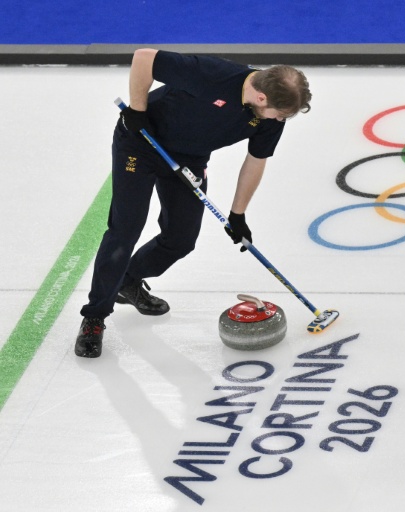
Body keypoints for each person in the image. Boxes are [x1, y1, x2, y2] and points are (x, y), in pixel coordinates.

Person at [75, 48, 311, 358]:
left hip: (187, 159)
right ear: (262, 98)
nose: (281, 120)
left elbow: (255, 161)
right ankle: (94, 316)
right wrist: (137, 109)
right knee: (125, 228)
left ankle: (128, 279)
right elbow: (144, 58)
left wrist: (237, 214)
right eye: (280, 114)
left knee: (181, 239)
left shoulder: (269, 119)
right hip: (142, 142)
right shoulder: (212, 74)